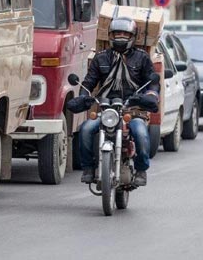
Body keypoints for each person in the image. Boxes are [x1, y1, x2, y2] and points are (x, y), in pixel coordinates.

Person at [66, 17, 160, 186]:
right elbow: (88, 83)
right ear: (110, 35)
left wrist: (150, 96)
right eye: (117, 33)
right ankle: (88, 168)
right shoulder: (101, 58)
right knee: (86, 129)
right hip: (106, 109)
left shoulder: (142, 58)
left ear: (133, 36)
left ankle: (141, 170)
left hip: (133, 110)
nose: (121, 37)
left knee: (140, 132)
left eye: (125, 33)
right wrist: (83, 96)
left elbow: (152, 84)